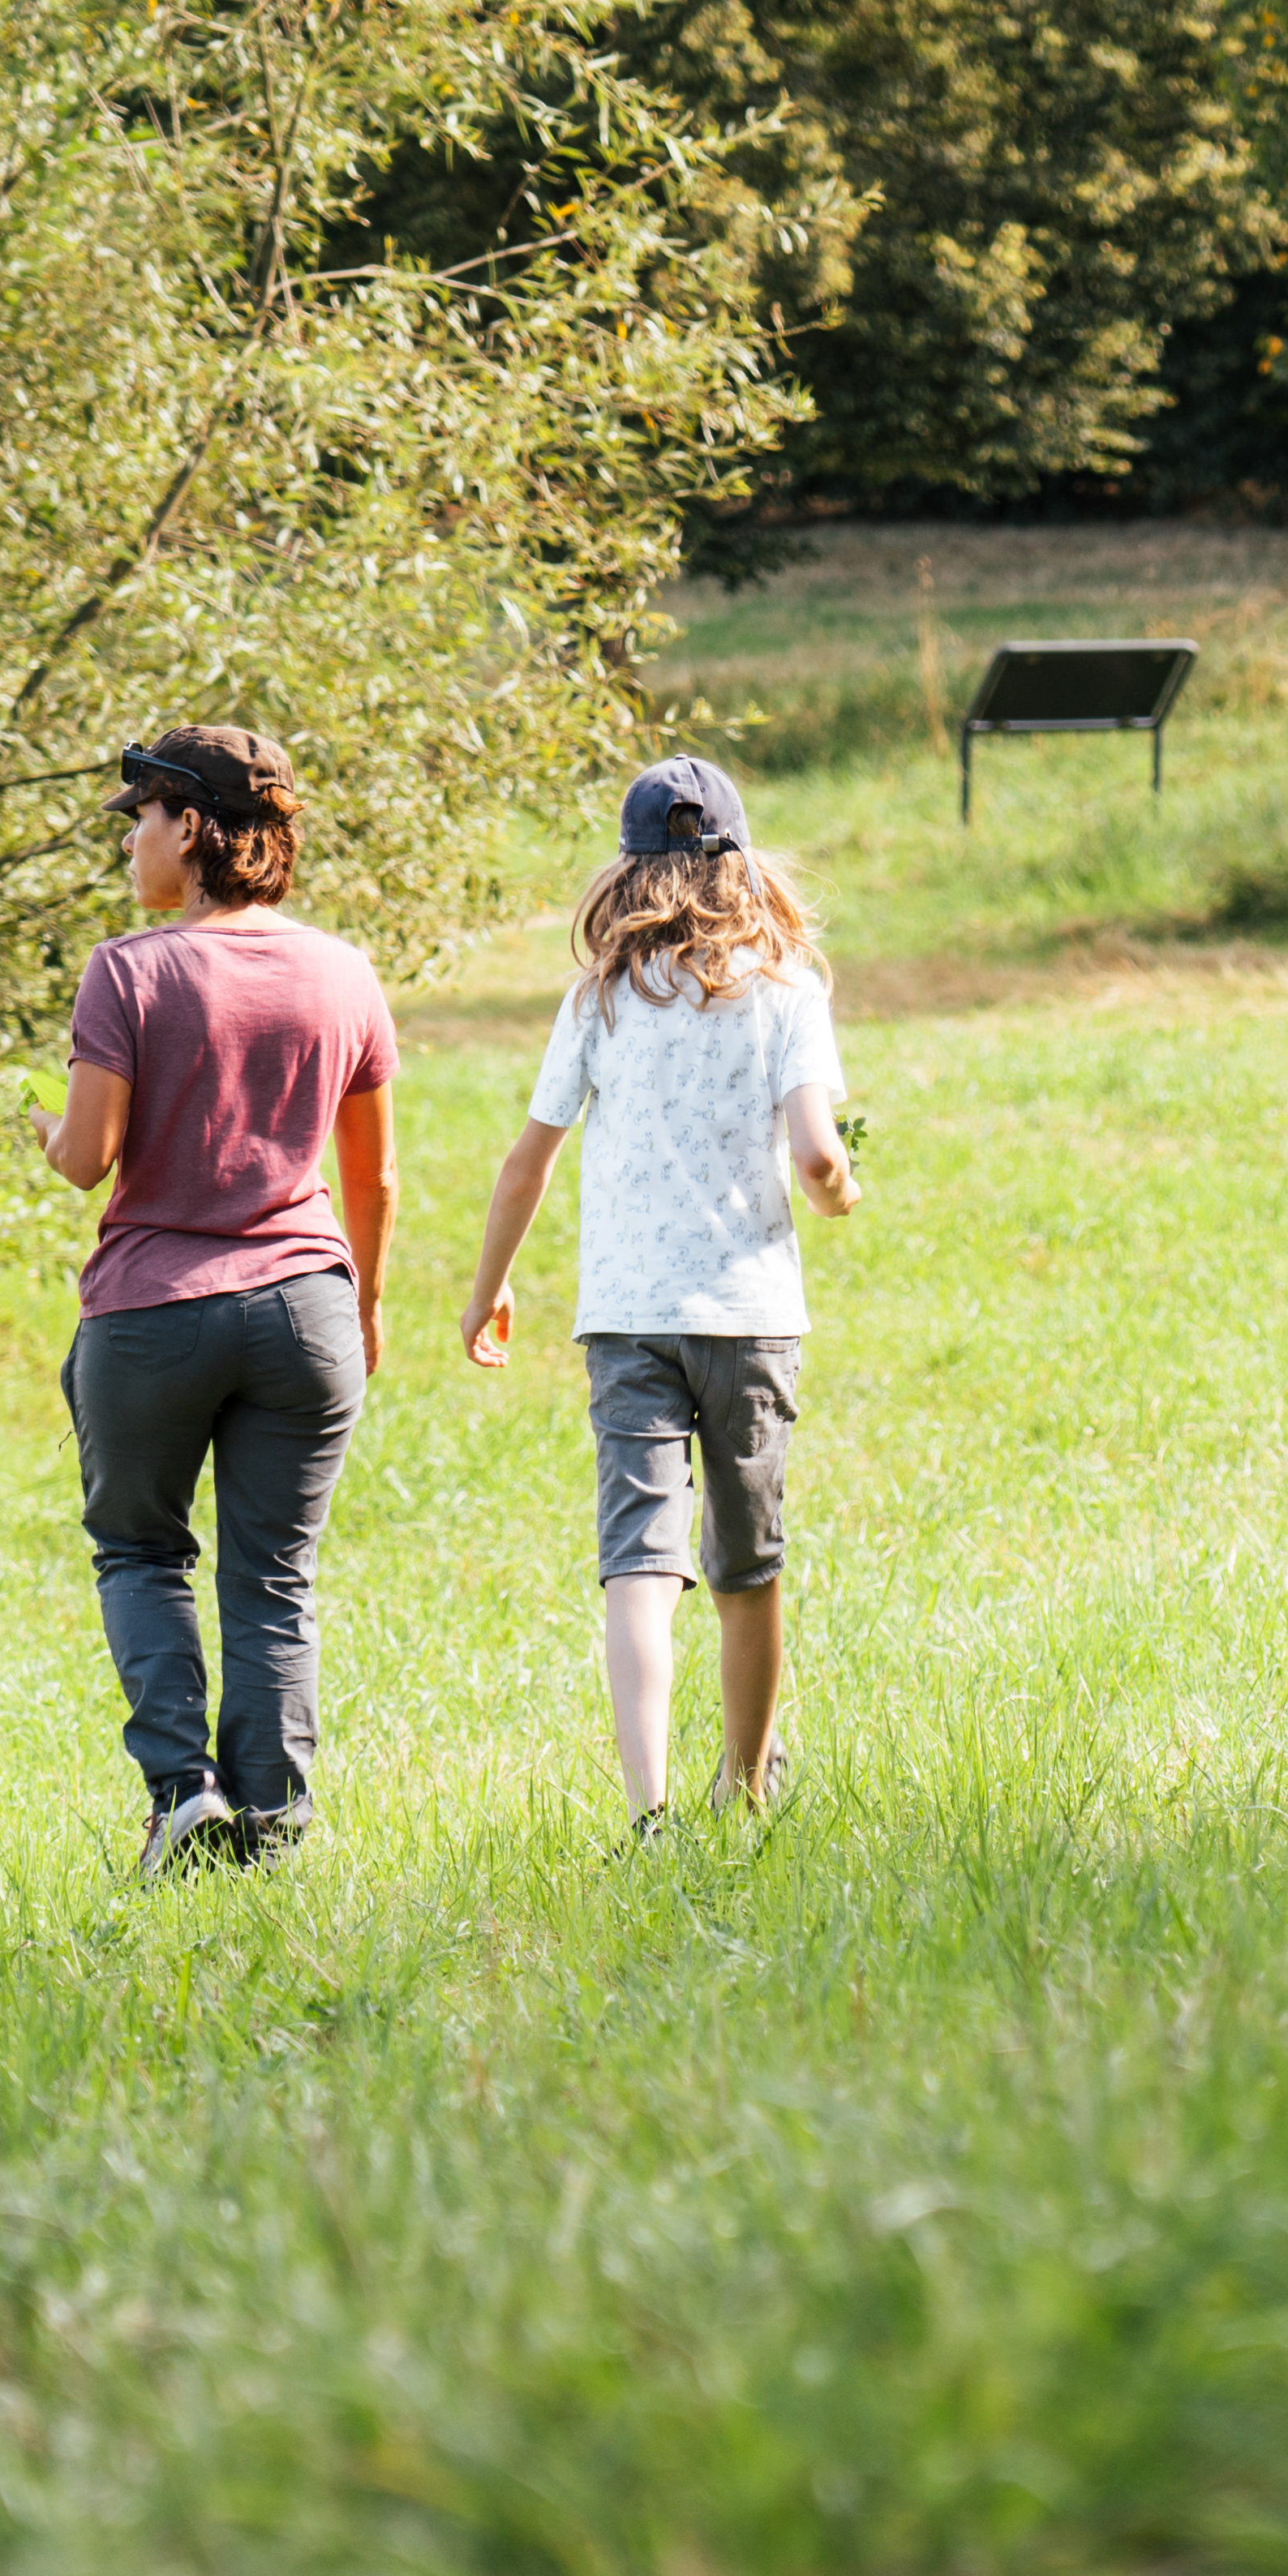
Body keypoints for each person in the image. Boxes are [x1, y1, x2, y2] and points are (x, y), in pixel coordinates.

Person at [455, 757, 860, 1837]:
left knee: (639, 1559)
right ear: (742, 863)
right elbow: (818, 1158)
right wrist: (837, 1191)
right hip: (749, 1314)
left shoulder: (599, 998)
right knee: (747, 1560)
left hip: (627, 1315)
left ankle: (651, 1806)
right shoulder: (788, 990)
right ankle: (747, 1777)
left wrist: (486, 1292)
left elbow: (528, 1159)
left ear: (628, 872)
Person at [35, 723, 398, 1873]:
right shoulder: (344, 972)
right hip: (305, 1309)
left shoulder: (129, 970)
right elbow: (372, 1173)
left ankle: (184, 1791)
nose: (133, 841)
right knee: (275, 1574)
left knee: (141, 1554)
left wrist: (48, 1136)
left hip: (151, 1312)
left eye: (141, 816)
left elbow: (90, 1159)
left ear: (192, 829)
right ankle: (276, 1827)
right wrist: (368, 1302)